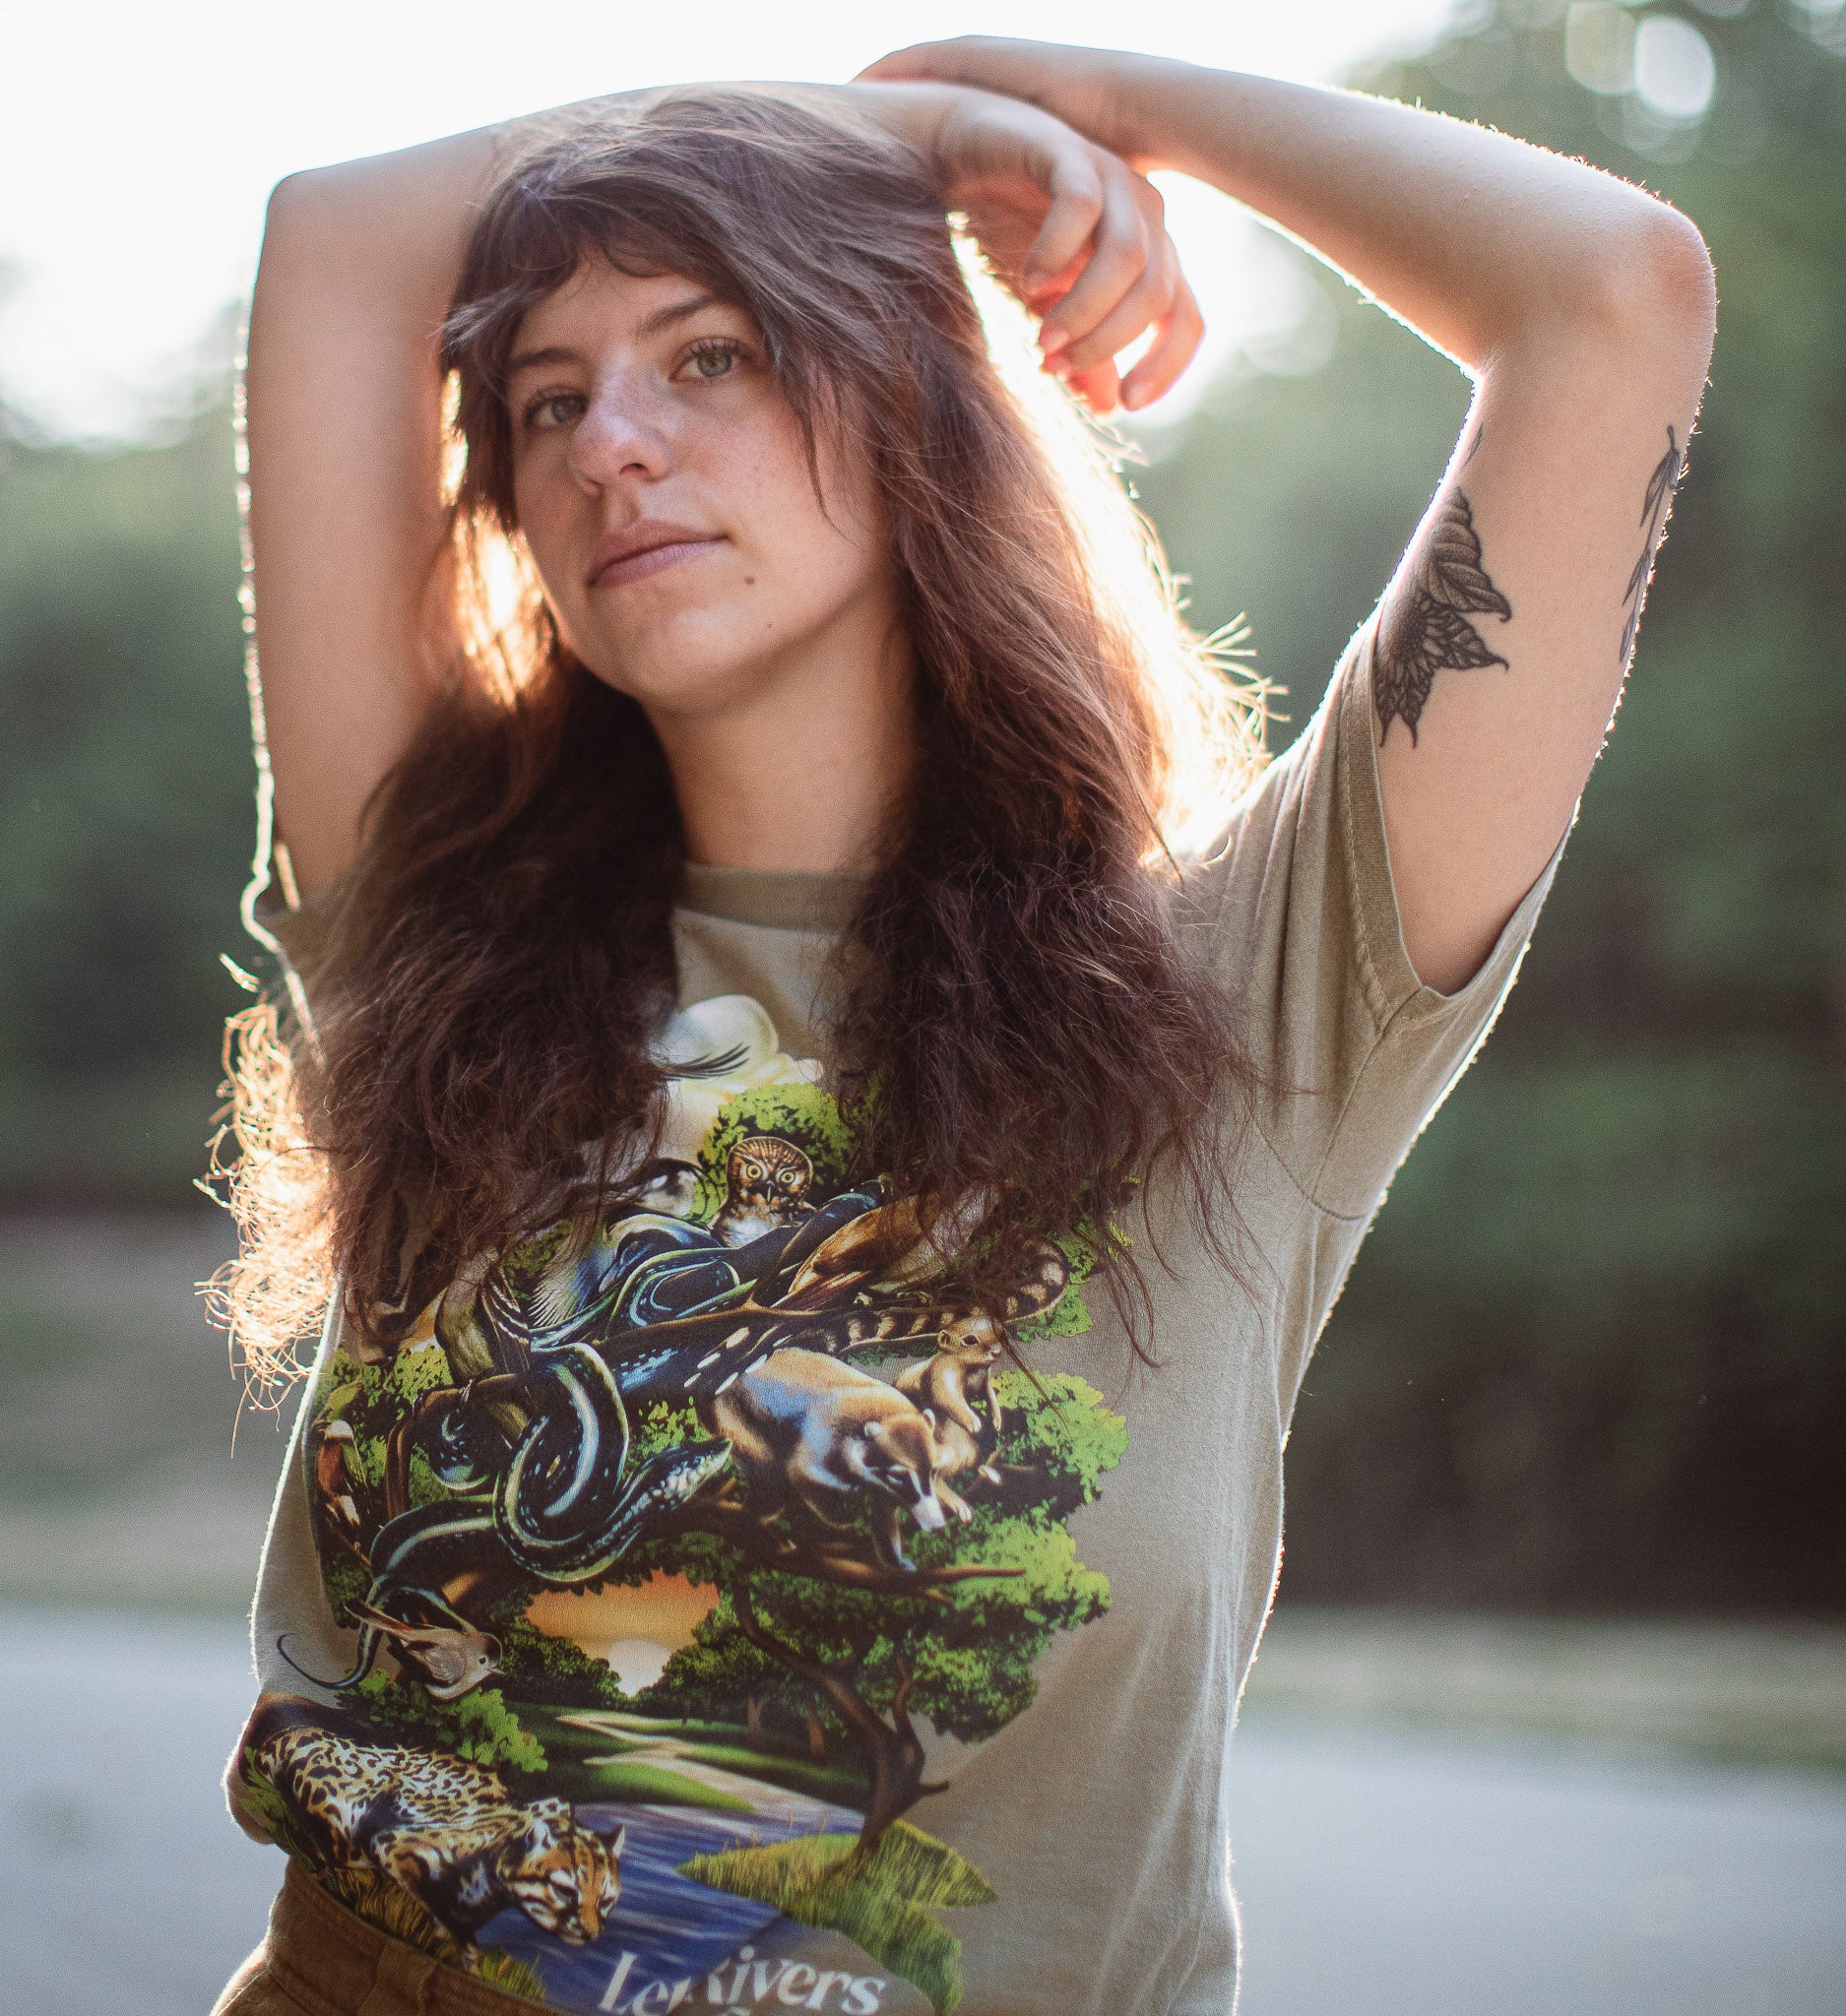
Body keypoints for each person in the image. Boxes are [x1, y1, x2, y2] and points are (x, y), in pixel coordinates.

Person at [209, 37, 1714, 2016]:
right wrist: (892, 135)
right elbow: (332, 240)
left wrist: (1063, 106)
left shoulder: (1249, 985)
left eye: (715, 352)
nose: (608, 444)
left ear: (912, 391)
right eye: (547, 398)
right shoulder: (430, 917)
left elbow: (1609, 292)